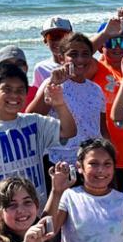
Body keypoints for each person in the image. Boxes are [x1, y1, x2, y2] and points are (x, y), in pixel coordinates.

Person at [0, 62, 77, 238]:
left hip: (36, 215)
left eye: (19, 90)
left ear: (26, 93)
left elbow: (69, 131)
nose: (14, 95)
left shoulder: (35, 123)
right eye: (7, 90)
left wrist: (60, 104)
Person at [27, 32, 107, 166]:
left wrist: (109, 157)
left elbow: (102, 129)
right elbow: (31, 118)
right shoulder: (52, 84)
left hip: (91, 164)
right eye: (73, 54)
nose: (80, 59)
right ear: (61, 58)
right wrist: (52, 84)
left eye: (85, 54)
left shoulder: (96, 89)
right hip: (59, 164)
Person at [89, 5, 123, 189]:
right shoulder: (97, 68)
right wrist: (106, 34)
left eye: (121, 42)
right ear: (102, 45)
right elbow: (83, 55)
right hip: (108, 157)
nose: (116, 48)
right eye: (111, 43)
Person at [0, 44, 38, 114]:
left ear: (26, 68)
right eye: (7, 65)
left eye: (19, 63)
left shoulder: (37, 94)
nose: (14, 68)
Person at [32, 16, 73, 88]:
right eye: (52, 37)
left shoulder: (80, 64)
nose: (57, 41)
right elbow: (37, 94)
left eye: (62, 36)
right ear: (45, 41)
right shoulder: (41, 68)